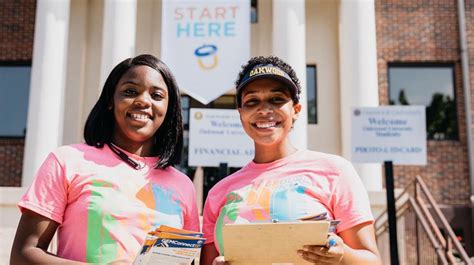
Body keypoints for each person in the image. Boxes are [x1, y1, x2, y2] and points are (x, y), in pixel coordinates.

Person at [10, 54, 200, 264]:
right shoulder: (67, 161)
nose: (143, 101)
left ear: (168, 109)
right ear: (111, 100)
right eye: (130, 91)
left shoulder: (183, 186)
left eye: (156, 95)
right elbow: (23, 255)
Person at [200, 56, 382, 265]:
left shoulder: (334, 171)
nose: (264, 109)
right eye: (252, 101)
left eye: (277, 99)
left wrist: (341, 255)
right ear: (241, 114)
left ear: (296, 110)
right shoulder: (219, 192)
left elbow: (372, 260)